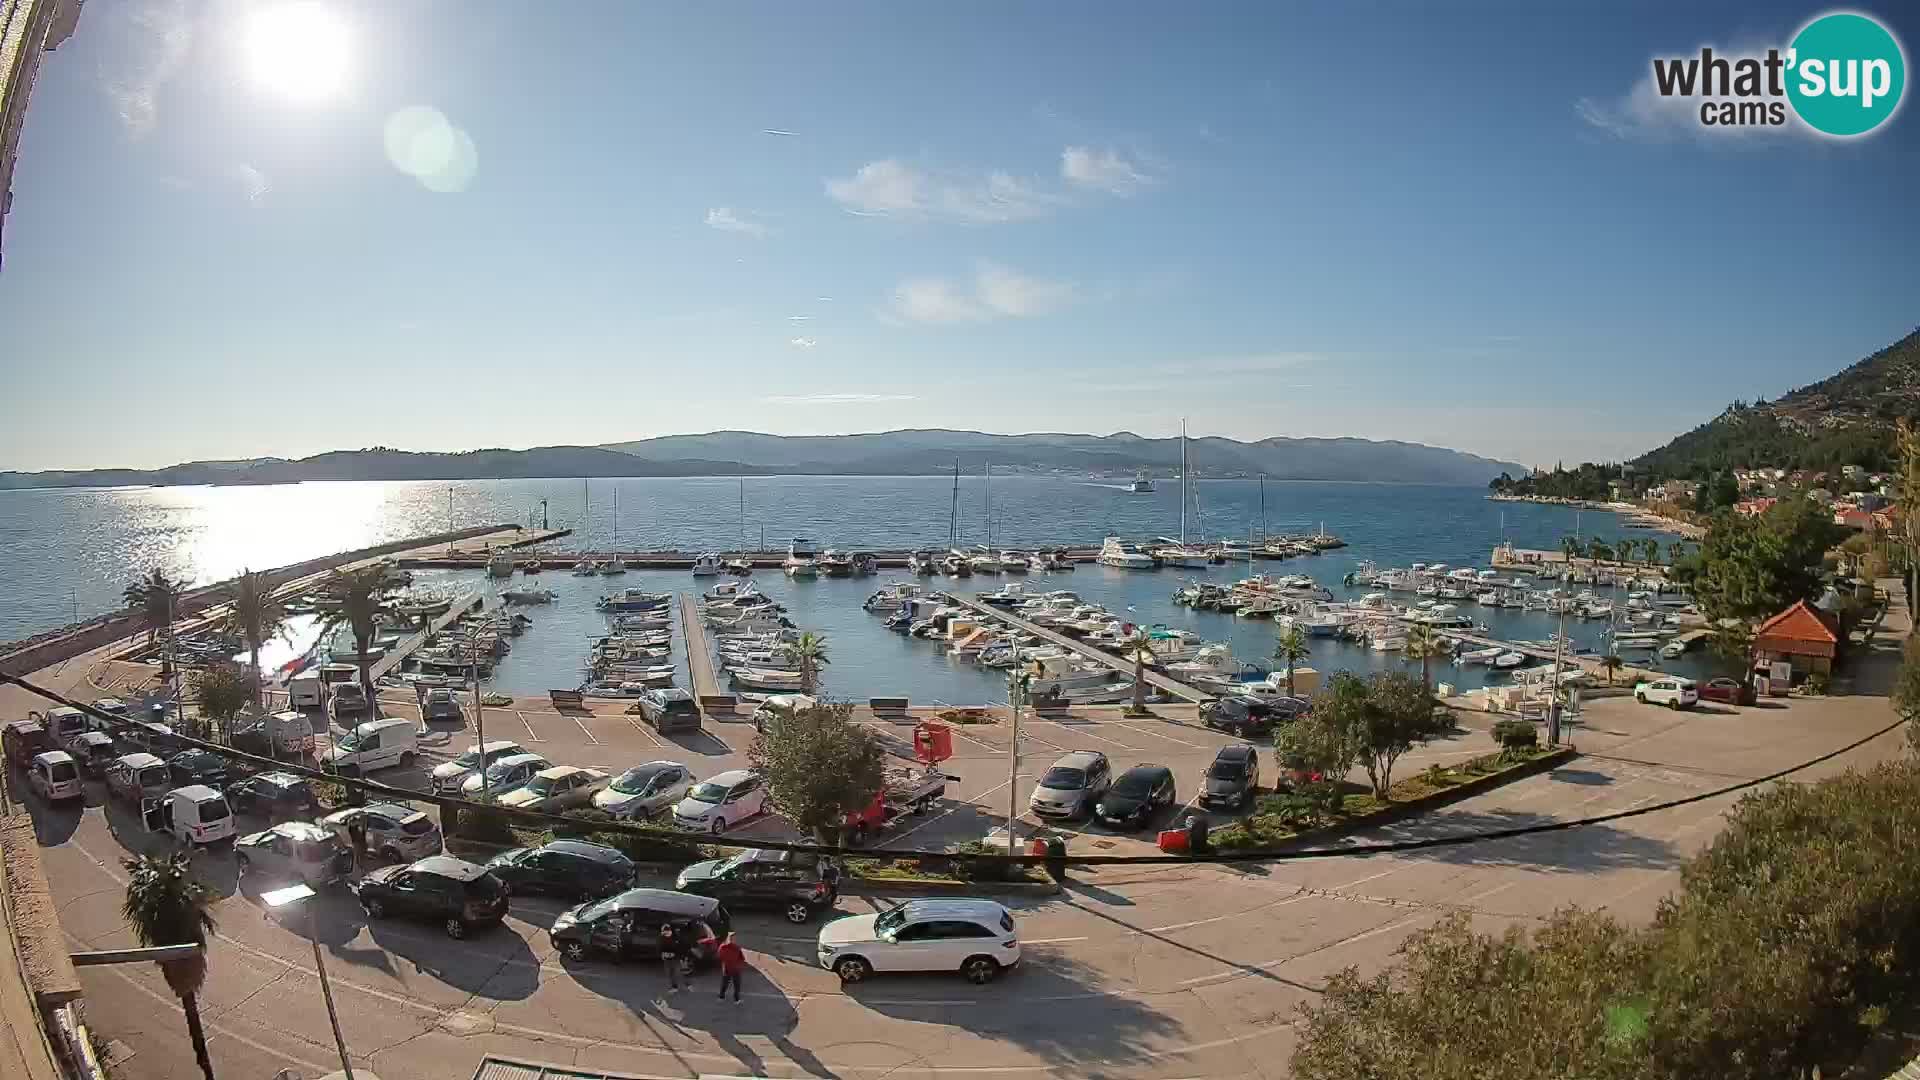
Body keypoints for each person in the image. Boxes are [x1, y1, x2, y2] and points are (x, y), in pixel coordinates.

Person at [715, 932, 746, 1003]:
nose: (735, 940)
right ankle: (731, 998)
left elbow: (719, 956)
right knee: (730, 983)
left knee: (731, 984)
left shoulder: (727, 947)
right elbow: (742, 958)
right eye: (733, 938)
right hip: (731, 968)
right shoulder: (729, 947)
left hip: (732, 968)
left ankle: (726, 997)